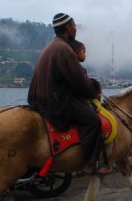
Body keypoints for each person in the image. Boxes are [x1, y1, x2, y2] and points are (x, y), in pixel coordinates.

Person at [27, 13, 105, 173]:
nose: (76, 29)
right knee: (93, 121)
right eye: (75, 26)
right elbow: (81, 84)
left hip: (38, 99)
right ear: (69, 28)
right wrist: (96, 88)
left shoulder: (52, 45)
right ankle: (90, 164)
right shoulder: (65, 50)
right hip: (55, 103)